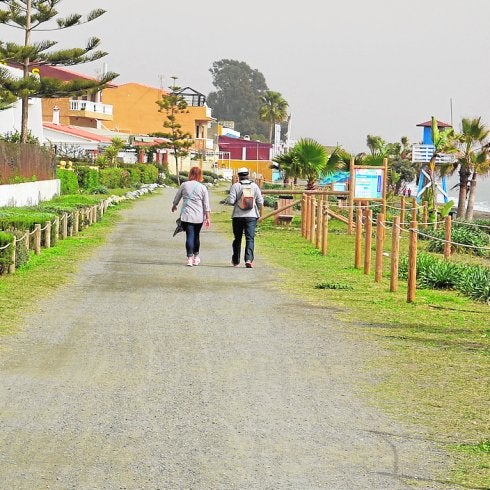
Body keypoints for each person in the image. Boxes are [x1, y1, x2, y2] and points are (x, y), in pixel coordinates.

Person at [172, 166, 211, 266]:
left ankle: (189, 258)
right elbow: (206, 204)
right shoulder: (203, 187)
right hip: (198, 216)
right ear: (200, 175)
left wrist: (174, 205)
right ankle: (196, 257)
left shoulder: (184, 185)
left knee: (189, 235)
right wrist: (208, 218)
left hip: (187, 215)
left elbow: (177, 197)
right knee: (196, 236)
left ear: (190, 174)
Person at [228, 167, 263, 268]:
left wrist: (237, 202)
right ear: (248, 175)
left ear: (239, 176)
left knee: (237, 238)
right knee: (250, 238)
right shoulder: (255, 186)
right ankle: (248, 259)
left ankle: (236, 261)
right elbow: (260, 202)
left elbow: (231, 201)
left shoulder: (236, 186)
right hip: (251, 216)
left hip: (238, 216)